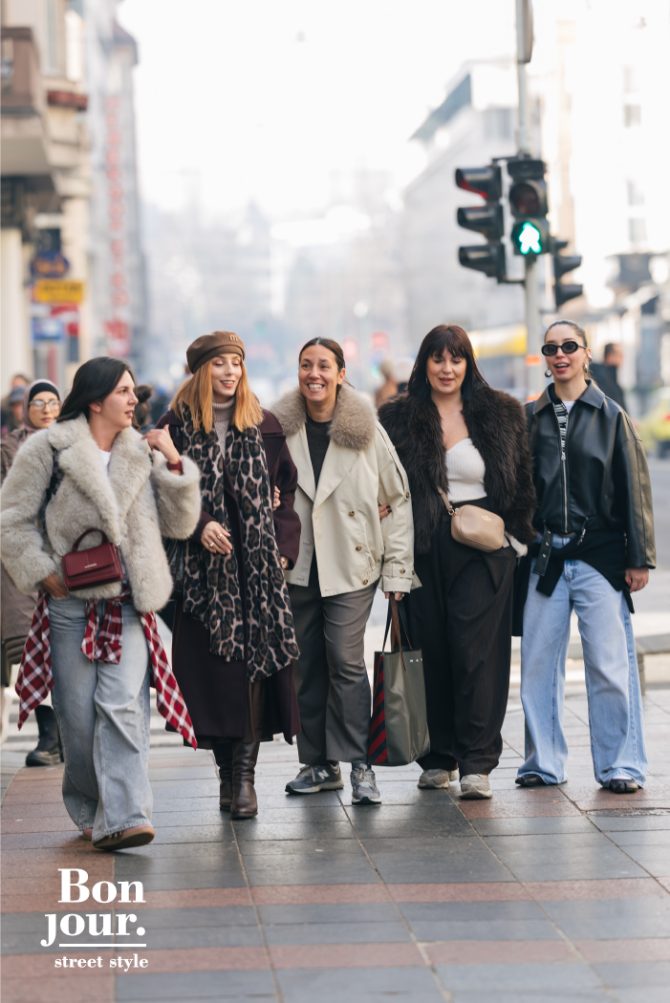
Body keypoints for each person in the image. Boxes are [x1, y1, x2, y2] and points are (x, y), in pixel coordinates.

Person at [0, 357, 201, 850]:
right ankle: (92, 806)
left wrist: (175, 464)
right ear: (95, 400)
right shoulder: (48, 449)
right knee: (77, 718)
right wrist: (43, 572)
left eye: (133, 391)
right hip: (69, 604)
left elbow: (179, 524)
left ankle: (127, 815)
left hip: (129, 603)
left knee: (123, 709)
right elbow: (11, 520)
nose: (134, 400)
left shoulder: (141, 450)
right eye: (123, 392)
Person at [379, 324, 536, 800]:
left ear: (468, 364)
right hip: (422, 547)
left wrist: (514, 539)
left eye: (456, 359)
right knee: (431, 651)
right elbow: (381, 481)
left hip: (483, 549)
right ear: (424, 364)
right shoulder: (397, 418)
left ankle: (477, 762)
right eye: (438, 359)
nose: (447, 369)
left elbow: (522, 480)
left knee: (476, 654)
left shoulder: (501, 412)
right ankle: (438, 757)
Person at [157, 331, 301, 820]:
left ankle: (244, 779)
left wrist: (282, 551)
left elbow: (285, 493)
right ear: (201, 371)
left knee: (251, 675)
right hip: (201, 580)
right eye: (219, 363)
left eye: (236, 363)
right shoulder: (175, 427)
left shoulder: (263, 424)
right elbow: (161, 493)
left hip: (256, 573)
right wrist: (199, 525)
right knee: (214, 679)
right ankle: (225, 772)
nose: (230, 372)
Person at [273, 337, 414, 806]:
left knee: (345, 660)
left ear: (340, 373)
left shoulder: (365, 429)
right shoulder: (278, 430)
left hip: (353, 565)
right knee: (305, 664)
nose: (314, 374)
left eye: (323, 366)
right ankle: (318, 763)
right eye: (305, 365)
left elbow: (396, 498)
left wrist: (397, 571)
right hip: (298, 564)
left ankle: (359, 764)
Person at [516, 319, 655, 794]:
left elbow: (635, 487)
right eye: (551, 348)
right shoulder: (530, 416)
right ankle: (543, 762)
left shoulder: (612, 415)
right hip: (546, 558)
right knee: (537, 665)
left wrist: (639, 557)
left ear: (586, 354)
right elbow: (517, 487)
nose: (560, 355)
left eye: (569, 346)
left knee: (609, 665)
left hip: (599, 556)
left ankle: (621, 765)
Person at [1, 380, 63, 764]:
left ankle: (69, 735)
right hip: (22, 563)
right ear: (25, 408)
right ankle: (49, 736)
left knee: (67, 647)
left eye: (52, 401)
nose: (45, 409)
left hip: (67, 557)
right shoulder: (8, 448)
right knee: (32, 648)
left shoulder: (73, 442)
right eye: (37, 402)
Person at [590, 342, 628, 411]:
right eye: (619, 355)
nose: (622, 358)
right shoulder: (601, 380)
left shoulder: (613, 380)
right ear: (609, 356)